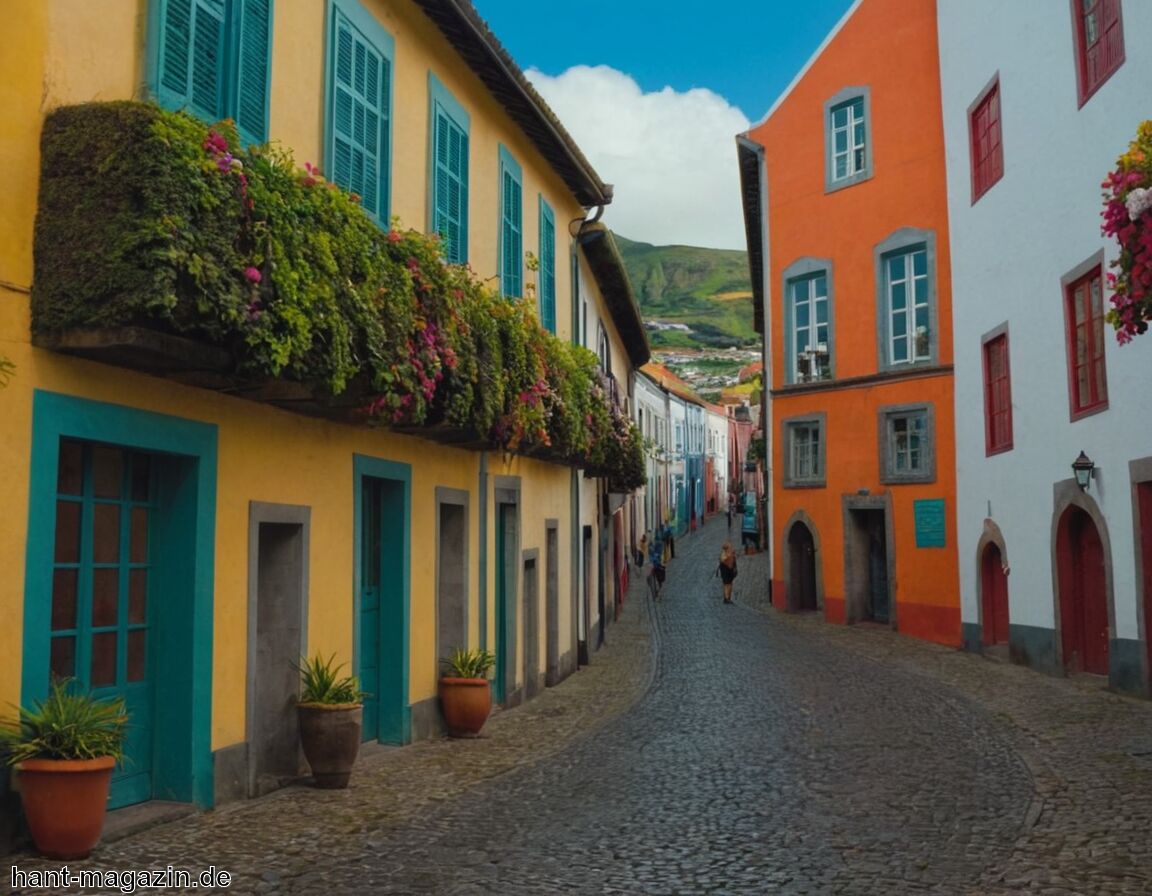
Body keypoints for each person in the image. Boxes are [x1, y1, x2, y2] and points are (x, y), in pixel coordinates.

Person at [647, 531, 666, 600]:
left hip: (658, 566)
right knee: (658, 581)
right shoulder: (659, 546)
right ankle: (657, 593)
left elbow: (656, 555)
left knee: (658, 580)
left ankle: (657, 593)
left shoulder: (658, 546)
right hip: (658, 566)